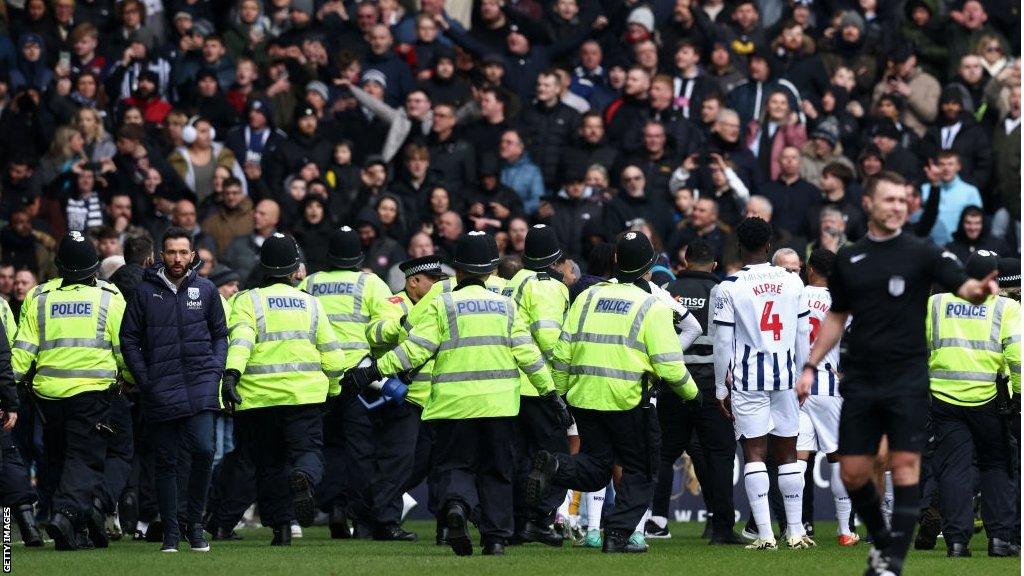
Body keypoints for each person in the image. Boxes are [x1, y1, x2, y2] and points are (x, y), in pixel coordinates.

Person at [795, 171, 999, 576]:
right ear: (869, 203)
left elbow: (962, 286)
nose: (896, 207)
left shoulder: (923, 251)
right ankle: (883, 542)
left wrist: (977, 290)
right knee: (853, 472)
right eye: (888, 200)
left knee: (904, 465)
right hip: (860, 379)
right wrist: (810, 365)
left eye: (901, 201)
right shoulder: (850, 259)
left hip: (906, 377)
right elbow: (836, 315)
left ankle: (890, 561)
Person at [346, 231, 556, 556]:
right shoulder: (506, 306)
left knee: (454, 466)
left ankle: (457, 506)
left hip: (452, 406)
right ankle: (496, 539)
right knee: (497, 471)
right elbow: (528, 353)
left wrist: (373, 371)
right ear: (489, 270)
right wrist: (550, 392)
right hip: (499, 405)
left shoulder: (442, 304)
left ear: (457, 269)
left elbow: (415, 350)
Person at [527, 231, 700, 553]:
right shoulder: (652, 305)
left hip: (585, 400)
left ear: (616, 260)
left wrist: (560, 395)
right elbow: (669, 365)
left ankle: (555, 466)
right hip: (628, 402)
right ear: (650, 266)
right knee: (641, 470)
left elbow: (563, 352)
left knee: (595, 468)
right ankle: (618, 535)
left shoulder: (587, 297)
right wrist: (692, 395)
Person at [222, 233, 352, 546]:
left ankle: (281, 530)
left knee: (268, 466)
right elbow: (333, 356)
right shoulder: (311, 304)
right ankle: (304, 477)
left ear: (262, 266)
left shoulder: (246, 301)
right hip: (304, 398)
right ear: (295, 268)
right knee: (307, 453)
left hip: (259, 400)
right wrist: (333, 389)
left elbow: (240, 342)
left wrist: (231, 375)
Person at [12, 231, 129, 551]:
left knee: (60, 457)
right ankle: (64, 516)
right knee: (84, 459)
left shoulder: (38, 296)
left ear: (59, 265)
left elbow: (24, 350)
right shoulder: (110, 297)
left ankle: (73, 530)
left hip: (48, 397)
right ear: (95, 267)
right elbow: (122, 347)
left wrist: (9, 387)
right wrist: (131, 379)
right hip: (92, 392)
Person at [298, 226, 410, 542]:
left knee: (326, 446)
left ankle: (332, 505)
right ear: (360, 256)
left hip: (318, 378)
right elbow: (387, 327)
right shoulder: (370, 283)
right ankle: (357, 518)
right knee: (359, 451)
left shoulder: (312, 282)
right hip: (358, 380)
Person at [119, 227, 227, 552]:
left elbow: (221, 334)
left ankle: (195, 525)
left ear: (193, 255)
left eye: (183, 252)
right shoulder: (143, 291)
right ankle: (170, 533)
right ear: (160, 256)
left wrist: (215, 370)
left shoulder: (207, 290)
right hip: (161, 389)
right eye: (171, 252)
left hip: (200, 385)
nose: (177, 259)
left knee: (205, 452)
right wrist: (145, 379)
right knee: (165, 462)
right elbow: (129, 338)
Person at [713, 217, 814, 551]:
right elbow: (802, 333)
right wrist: (803, 374)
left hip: (747, 379)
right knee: (787, 452)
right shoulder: (793, 283)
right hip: (786, 377)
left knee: (754, 453)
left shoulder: (730, 286)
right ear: (769, 245)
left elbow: (723, 343)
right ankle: (796, 531)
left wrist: (719, 386)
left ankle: (766, 534)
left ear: (739, 246)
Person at [924, 251, 1020, 558]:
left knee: (955, 470)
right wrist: (1018, 395)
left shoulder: (935, 303)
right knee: (997, 467)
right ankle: (1000, 541)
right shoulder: (1006, 307)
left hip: (943, 399)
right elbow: (1018, 357)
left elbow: (918, 346)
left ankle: (956, 543)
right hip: (991, 400)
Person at [655, 239, 742, 544]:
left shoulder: (666, 291)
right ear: (714, 265)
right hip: (710, 384)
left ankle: (654, 521)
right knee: (719, 454)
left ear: (684, 260)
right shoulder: (722, 291)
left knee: (664, 454)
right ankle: (721, 528)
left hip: (673, 382)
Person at [503, 224, 571, 546]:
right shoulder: (548, 286)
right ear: (556, 260)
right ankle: (539, 521)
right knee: (554, 458)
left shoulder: (512, 281)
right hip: (537, 384)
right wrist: (560, 381)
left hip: (509, 385)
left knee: (520, 458)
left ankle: (517, 523)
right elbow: (547, 337)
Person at [793, 248, 859, 547]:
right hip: (828, 384)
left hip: (795, 387)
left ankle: (796, 530)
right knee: (837, 457)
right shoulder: (841, 300)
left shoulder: (794, 295)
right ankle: (845, 530)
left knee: (798, 458)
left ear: (809, 269)